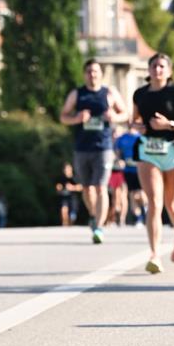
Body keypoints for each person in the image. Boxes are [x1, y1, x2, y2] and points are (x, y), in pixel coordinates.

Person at [59, 58, 128, 243]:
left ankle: (98, 227)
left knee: (100, 187)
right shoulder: (77, 94)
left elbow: (125, 113)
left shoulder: (109, 92)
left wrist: (114, 116)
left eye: (95, 71)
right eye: (89, 71)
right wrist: (77, 118)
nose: (92, 74)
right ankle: (94, 214)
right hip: (82, 147)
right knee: (87, 189)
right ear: (85, 74)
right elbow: (63, 116)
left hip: (103, 147)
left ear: (100, 74)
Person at [133, 52, 174, 272]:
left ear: (169, 71)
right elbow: (134, 120)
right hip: (148, 151)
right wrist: (138, 127)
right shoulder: (140, 93)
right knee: (154, 202)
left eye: (162, 66)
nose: (157, 70)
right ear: (149, 70)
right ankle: (154, 254)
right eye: (154, 66)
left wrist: (168, 124)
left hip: (172, 150)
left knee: (171, 204)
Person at [114, 126, 145, 226]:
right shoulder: (122, 138)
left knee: (141, 194)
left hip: (140, 169)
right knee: (132, 194)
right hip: (128, 170)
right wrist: (120, 160)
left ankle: (146, 210)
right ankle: (138, 218)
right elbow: (118, 152)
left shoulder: (141, 137)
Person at [55, 162, 82, 226]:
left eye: (68, 169)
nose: (66, 170)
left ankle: (71, 224)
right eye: (65, 169)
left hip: (73, 198)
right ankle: (65, 223)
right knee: (63, 210)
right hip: (64, 197)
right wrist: (59, 188)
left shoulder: (75, 178)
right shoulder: (61, 178)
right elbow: (57, 187)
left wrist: (72, 188)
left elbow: (81, 187)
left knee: (72, 215)